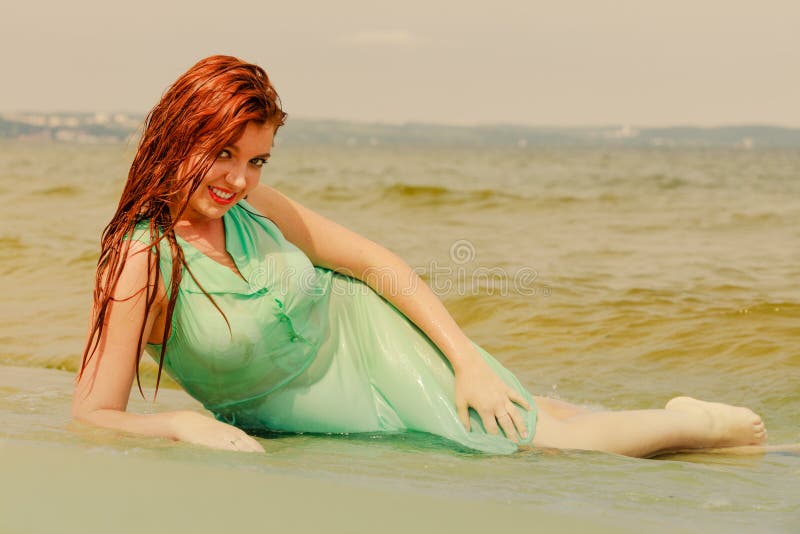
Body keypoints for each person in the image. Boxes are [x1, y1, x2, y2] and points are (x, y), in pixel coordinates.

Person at [72, 55, 768, 458]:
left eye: (254, 159)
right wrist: (184, 424)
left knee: (543, 440)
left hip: (371, 338)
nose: (239, 179)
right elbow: (94, 412)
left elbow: (375, 264)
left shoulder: (256, 207)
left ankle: (706, 423)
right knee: (541, 422)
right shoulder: (140, 258)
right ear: (176, 134)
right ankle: (684, 417)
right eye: (222, 153)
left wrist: (464, 359)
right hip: (313, 406)